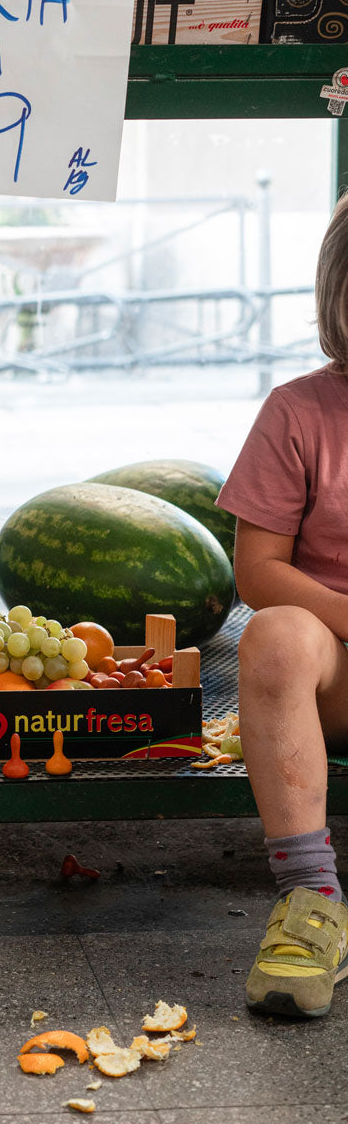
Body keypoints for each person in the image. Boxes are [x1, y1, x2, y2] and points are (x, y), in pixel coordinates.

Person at [216, 194, 348, 1020]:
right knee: (274, 637)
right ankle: (313, 899)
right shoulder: (298, 412)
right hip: (336, 670)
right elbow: (257, 571)